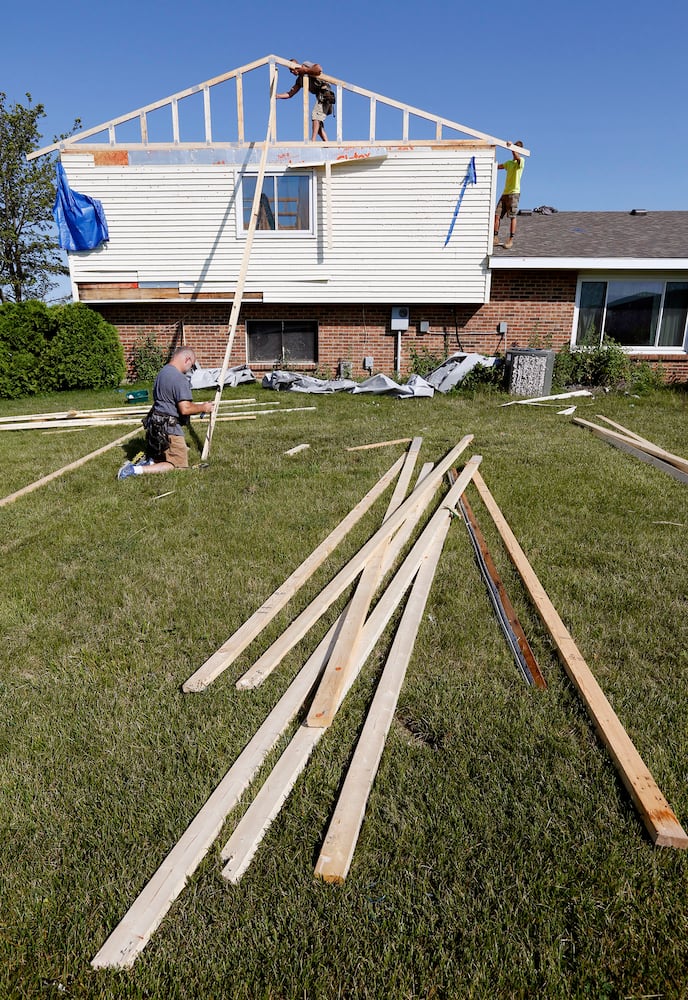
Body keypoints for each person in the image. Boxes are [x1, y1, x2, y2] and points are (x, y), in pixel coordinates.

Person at [117, 346, 213, 479]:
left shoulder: (163, 372)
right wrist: (204, 407)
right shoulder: (179, 379)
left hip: (155, 428)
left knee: (163, 457)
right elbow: (185, 409)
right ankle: (134, 470)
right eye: (191, 365)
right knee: (178, 467)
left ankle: (150, 461)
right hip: (169, 430)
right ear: (187, 359)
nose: (190, 369)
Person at [277, 60, 334, 142]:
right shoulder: (299, 80)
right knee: (317, 126)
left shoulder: (305, 65)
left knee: (315, 116)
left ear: (296, 65)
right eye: (290, 71)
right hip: (320, 96)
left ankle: (313, 140)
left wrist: (305, 70)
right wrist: (277, 96)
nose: (292, 72)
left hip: (325, 93)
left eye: (292, 69)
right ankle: (327, 145)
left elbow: (318, 69)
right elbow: (290, 94)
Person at [494, 141, 524, 250]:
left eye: (516, 150)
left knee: (512, 216)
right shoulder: (509, 163)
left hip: (514, 193)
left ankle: (510, 239)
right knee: (496, 214)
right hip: (505, 193)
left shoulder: (521, 162)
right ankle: (495, 237)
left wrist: (512, 147)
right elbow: (499, 166)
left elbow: (517, 157)